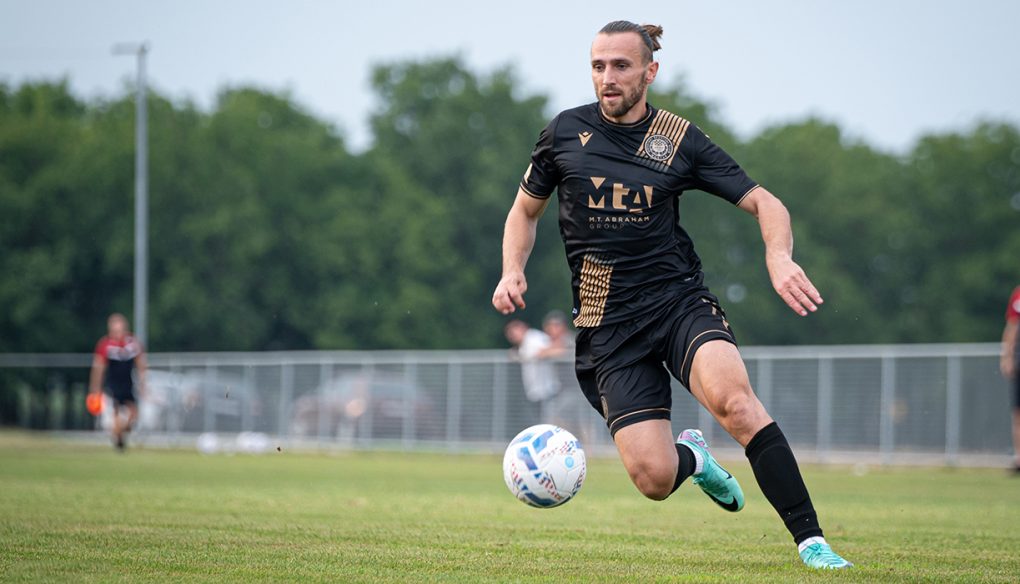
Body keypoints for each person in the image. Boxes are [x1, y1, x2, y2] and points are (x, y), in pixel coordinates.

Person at [491, 21, 851, 569]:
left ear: (650, 71)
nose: (607, 78)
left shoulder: (678, 139)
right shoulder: (564, 133)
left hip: (677, 303)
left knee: (736, 403)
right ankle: (696, 460)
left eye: (620, 66)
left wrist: (778, 257)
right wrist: (511, 269)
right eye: (597, 66)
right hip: (607, 326)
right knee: (654, 479)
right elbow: (525, 209)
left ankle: (812, 542)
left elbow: (766, 202)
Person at [89, 313, 147, 451]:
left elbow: (141, 364)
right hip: (112, 386)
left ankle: (119, 435)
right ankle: (118, 438)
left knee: (133, 416)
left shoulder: (133, 344)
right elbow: (98, 368)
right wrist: (95, 388)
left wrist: (143, 384)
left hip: (128, 385)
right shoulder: (105, 345)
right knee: (115, 417)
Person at [504, 319, 559, 406]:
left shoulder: (533, 337)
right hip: (535, 391)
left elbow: (552, 349)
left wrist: (538, 355)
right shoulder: (524, 344)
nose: (511, 336)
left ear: (522, 328)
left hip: (546, 389)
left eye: (513, 333)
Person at [1000, 286, 1020, 473]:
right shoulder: (1019, 294)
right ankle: (1019, 459)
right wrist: (1006, 356)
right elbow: (1012, 325)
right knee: (1018, 412)